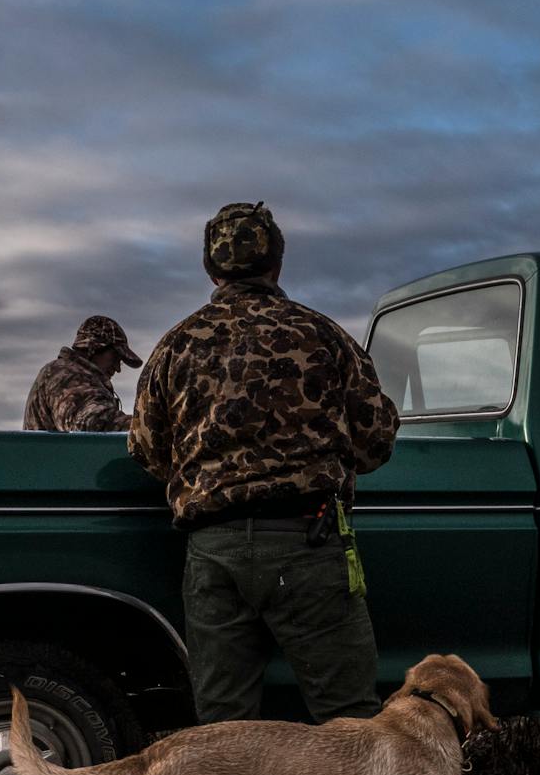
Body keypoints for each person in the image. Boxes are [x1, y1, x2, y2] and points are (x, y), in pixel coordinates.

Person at [128, 202, 399, 727]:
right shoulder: (323, 335)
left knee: (224, 729)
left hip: (213, 551)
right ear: (277, 263)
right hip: (308, 543)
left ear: (211, 269)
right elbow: (375, 444)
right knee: (349, 721)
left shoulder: (176, 345)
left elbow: (147, 451)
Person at [24, 316, 142, 431]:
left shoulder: (70, 373)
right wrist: (147, 427)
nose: (117, 368)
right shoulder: (65, 374)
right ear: (94, 347)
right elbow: (90, 422)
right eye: (115, 357)